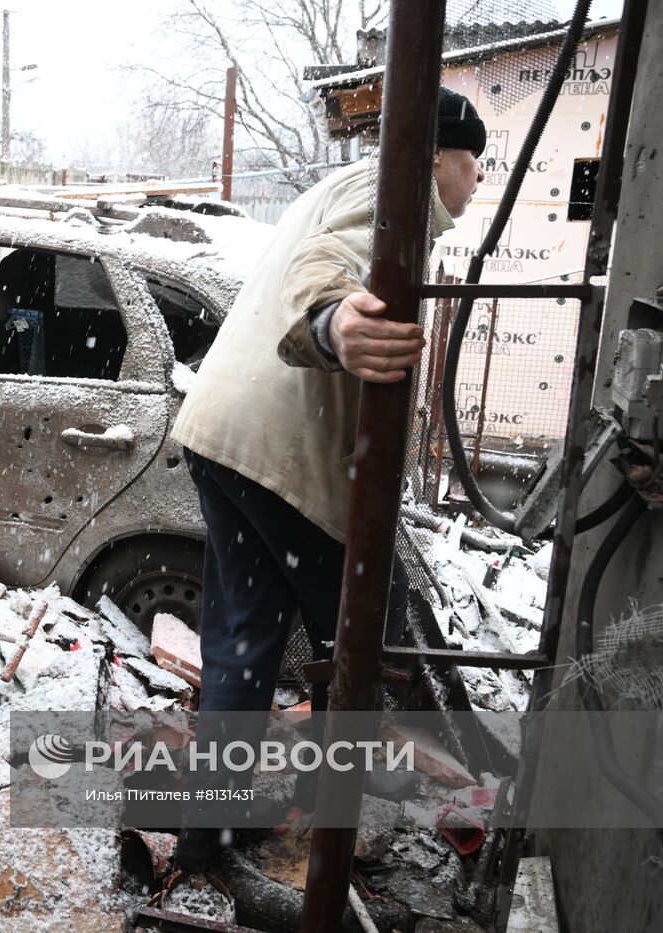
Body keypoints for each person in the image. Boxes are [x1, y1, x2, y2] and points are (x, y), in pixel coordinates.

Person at [168, 87, 486, 867]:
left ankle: (213, 831)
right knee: (361, 645)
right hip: (283, 452)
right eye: (475, 162)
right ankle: (332, 826)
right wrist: (336, 320)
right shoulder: (390, 194)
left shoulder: (339, 185)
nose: (479, 181)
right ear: (441, 155)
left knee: (245, 637)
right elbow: (324, 270)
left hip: (225, 435)